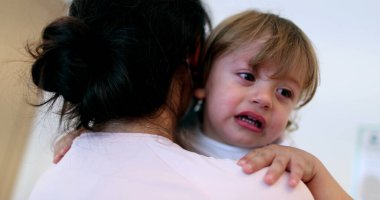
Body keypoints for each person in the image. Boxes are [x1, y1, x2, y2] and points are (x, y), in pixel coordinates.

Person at [50, 8, 353, 200]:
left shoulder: (282, 162)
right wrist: (89, 134)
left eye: (285, 93)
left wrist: (317, 174)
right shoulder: (177, 133)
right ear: (202, 81)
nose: (264, 99)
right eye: (247, 76)